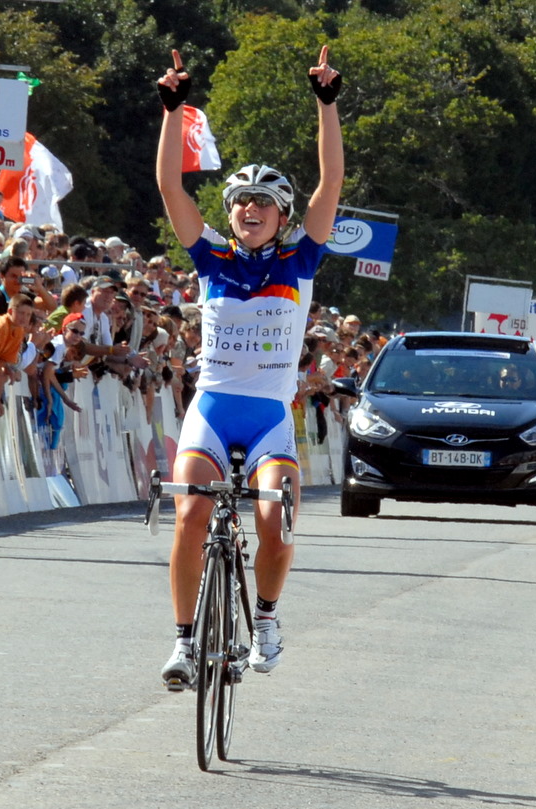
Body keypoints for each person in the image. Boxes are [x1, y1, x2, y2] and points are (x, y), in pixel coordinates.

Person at [156, 45, 343, 690]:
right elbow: (169, 187)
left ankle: (265, 618)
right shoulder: (211, 260)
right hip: (210, 411)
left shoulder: (300, 264)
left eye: (265, 201)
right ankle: (184, 642)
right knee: (189, 515)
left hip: (269, 420)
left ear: (283, 217)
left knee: (275, 521)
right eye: (240, 201)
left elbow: (331, 184)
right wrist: (173, 112)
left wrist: (328, 104)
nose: (250, 208)